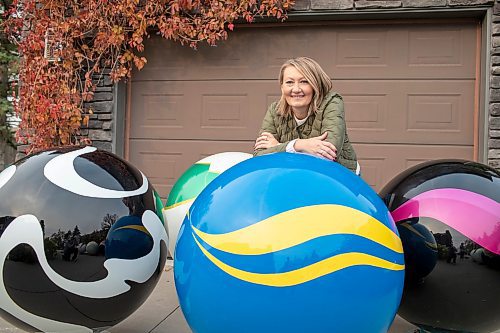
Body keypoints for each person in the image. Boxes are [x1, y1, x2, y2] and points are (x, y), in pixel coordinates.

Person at [253, 57, 358, 174]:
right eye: (289, 82)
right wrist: (298, 145)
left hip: (338, 175)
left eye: (304, 81)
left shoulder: (332, 102)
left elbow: (329, 153)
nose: (296, 89)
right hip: (295, 174)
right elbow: (259, 156)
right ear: (282, 87)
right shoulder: (275, 110)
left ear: (315, 84)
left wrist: (278, 146)